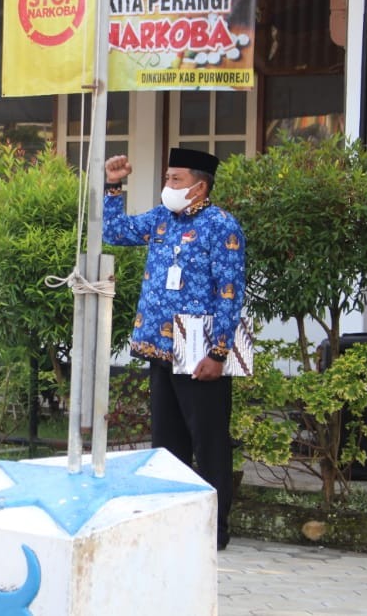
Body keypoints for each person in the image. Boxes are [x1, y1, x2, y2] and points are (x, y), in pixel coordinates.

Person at [103, 147, 246, 550]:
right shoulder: (162, 219)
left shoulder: (222, 227)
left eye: (176, 180)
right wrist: (114, 186)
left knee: (209, 442)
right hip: (160, 348)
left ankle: (214, 529)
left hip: (199, 353)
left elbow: (229, 294)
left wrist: (218, 353)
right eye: (167, 179)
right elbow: (115, 233)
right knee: (166, 444)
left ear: (200, 186)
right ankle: (171, 521)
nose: (168, 186)